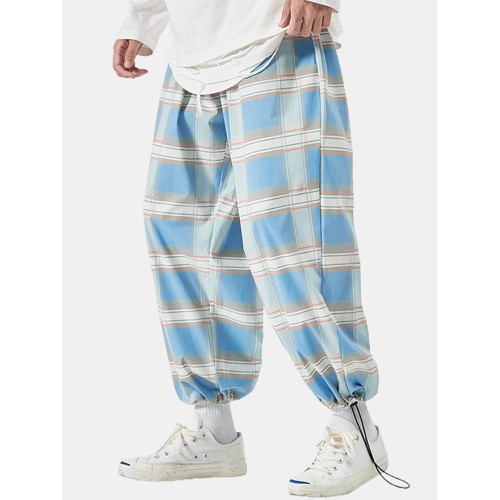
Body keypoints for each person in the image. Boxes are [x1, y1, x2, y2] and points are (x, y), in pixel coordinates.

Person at [112, 0, 409, 496]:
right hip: (192, 55)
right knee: (185, 235)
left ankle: (356, 427)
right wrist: (144, 17)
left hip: (277, 37)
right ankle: (213, 432)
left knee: (293, 239)